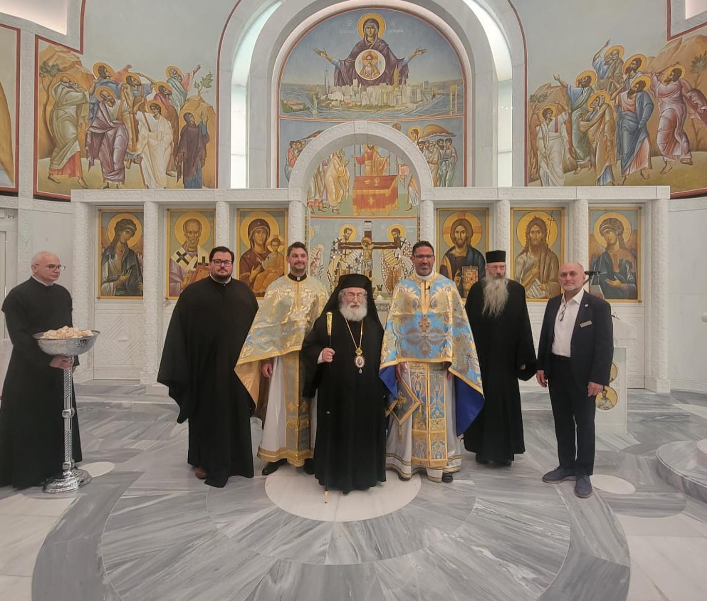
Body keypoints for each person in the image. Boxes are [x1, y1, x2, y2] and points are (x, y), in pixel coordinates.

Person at [381, 241, 484, 483]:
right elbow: (393, 327)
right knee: (409, 414)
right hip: (408, 364)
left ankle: (440, 463)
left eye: (428, 256)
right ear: (413, 258)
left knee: (439, 415)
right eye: (419, 257)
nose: (424, 261)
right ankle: (407, 463)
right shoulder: (402, 288)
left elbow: (459, 325)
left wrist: (455, 360)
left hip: (441, 366)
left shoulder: (448, 287)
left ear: (434, 258)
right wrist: (394, 359)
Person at [158, 246, 259, 488]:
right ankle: (203, 460)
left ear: (232, 265)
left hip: (237, 372)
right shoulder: (192, 294)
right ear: (210, 264)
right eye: (217, 261)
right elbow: (178, 333)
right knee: (206, 417)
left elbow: (257, 332)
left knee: (235, 414)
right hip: (204, 371)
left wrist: (258, 362)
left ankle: (238, 461)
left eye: (227, 262)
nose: (222, 265)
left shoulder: (244, 293)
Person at [236, 242, 327, 475]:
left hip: (309, 358)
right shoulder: (276, 288)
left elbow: (325, 325)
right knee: (278, 404)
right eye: (294, 256)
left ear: (308, 260)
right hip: (282, 358)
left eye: (302, 256)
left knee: (312, 405)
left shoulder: (318, 288)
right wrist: (266, 359)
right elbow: (266, 324)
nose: (299, 260)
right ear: (288, 259)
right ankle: (276, 453)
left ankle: (309, 455)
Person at [0, 252, 82, 489]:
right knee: (31, 419)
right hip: (29, 369)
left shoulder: (62, 294)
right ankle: (31, 471)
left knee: (60, 414)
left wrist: (72, 358)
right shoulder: (18, 296)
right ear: (34, 267)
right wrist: (47, 361)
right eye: (51, 266)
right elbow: (19, 336)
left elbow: (69, 328)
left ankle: (60, 463)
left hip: (60, 368)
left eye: (59, 266)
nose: (56, 270)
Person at [302, 274, 388, 493]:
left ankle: (365, 475)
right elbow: (308, 347)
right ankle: (337, 476)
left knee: (364, 432)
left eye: (360, 295)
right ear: (342, 296)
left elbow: (385, 353)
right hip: (336, 394)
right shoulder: (328, 320)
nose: (356, 299)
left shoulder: (373, 324)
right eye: (351, 294)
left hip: (368, 394)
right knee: (338, 431)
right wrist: (321, 353)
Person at [536, 263, 613, 499]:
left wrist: (598, 379)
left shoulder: (597, 306)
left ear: (582, 278)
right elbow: (545, 336)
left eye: (572, 274)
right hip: (557, 370)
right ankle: (566, 466)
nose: (568, 278)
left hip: (583, 374)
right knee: (562, 421)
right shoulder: (553, 304)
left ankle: (583, 472)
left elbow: (604, 346)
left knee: (585, 423)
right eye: (563, 274)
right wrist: (541, 365)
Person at [463, 251, 536, 466]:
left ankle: (506, 452)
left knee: (505, 405)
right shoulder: (477, 291)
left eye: (502, 268)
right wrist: (466, 357)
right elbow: (466, 326)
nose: (498, 272)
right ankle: (481, 449)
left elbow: (524, 324)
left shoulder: (516, 290)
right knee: (482, 403)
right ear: (487, 269)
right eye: (494, 268)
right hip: (481, 361)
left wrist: (524, 357)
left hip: (506, 362)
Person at [314, 14, 425, 88]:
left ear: (376, 30)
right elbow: (345, 64)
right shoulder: (359, 46)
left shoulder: (382, 46)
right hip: (360, 82)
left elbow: (396, 63)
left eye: (372, 27)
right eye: (367, 28)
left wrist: (414, 54)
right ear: (364, 30)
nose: (370, 30)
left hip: (381, 82)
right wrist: (326, 56)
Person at [47, 75, 89, 189]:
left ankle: (52, 173)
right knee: (72, 144)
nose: (71, 83)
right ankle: (80, 178)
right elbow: (85, 96)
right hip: (64, 121)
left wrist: (76, 87)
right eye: (68, 82)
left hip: (62, 120)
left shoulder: (61, 91)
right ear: (63, 84)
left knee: (62, 147)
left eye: (70, 81)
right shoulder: (67, 94)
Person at [85, 87, 129, 189]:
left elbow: (129, 115)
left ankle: (119, 182)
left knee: (117, 157)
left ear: (112, 94)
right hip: (105, 132)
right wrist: (92, 129)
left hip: (119, 131)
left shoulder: (121, 103)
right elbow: (99, 120)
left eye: (108, 95)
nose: (107, 98)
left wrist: (126, 97)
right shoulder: (101, 106)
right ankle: (107, 181)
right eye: (103, 96)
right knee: (105, 157)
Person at [554, 71, 595, 174]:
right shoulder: (576, 91)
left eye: (586, 79)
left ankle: (589, 161)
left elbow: (593, 103)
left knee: (586, 140)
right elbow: (566, 86)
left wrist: (588, 115)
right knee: (576, 141)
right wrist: (559, 79)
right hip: (576, 117)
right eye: (583, 78)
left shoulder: (590, 90)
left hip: (586, 117)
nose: (583, 79)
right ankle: (580, 164)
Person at [614, 76, 653, 185]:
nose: (636, 87)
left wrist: (643, 120)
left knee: (644, 145)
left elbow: (649, 106)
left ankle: (643, 170)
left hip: (639, 124)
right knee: (626, 151)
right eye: (635, 85)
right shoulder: (622, 96)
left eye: (639, 86)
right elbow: (615, 105)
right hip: (626, 125)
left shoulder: (643, 95)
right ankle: (624, 176)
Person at [590, 217, 637, 299]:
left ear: (616, 231)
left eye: (608, 232)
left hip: (625, 302)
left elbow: (636, 287)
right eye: (604, 235)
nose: (607, 236)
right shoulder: (602, 258)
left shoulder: (629, 257)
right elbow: (595, 283)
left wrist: (621, 285)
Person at [514, 216, 561, 299]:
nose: (535, 236)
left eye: (538, 232)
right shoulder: (521, 259)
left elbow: (557, 285)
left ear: (543, 235)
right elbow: (515, 288)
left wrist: (546, 286)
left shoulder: (551, 258)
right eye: (532, 232)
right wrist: (532, 275)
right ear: (528, 235)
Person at [439, 218, 486, 298]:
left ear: (468, 234)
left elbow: (483, 282)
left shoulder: (477, 257)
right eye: (457, 232)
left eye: (463, 232)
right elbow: (442, 284)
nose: (459, 236)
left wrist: (471, 286)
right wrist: (454, 284)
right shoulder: (446, 258)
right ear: (453, 234)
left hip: (473, 300)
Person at [578, 91, 616, 186]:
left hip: (602, 137)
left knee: (603, 158)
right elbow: (586, 126)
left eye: (596, 100)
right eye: (594, 100)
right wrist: (581, 121)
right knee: (594, 158)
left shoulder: (604, 108)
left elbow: (609, 121)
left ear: (600, 102)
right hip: (593, 140)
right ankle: (599, 179)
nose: (594, 101)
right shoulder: (590, 114)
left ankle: (608, 180)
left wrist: (607, 132)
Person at [100, 217, 143, 297]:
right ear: (120, 231)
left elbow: (138, 279)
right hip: (112, 294)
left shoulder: (131, 255)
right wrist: (119, 282)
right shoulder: (108, 254)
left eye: (130, 235)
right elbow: (101, 285)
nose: (128, 237)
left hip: (129, 294)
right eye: (126, 232)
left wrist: (141, 287)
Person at [169, 217, 210, 297]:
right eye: (190, 232)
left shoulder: (206, 256)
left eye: (196, 232)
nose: (193, 236)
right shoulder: (176, 258)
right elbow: (169, 285)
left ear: (200, 233)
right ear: (185, 233)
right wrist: (182, 285)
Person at [136, 102, 173, 189]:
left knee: (159, 167)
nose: (154, 111)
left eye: (155, 109)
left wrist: (163, 144)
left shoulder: (164, 122)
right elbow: (143, 132)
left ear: (159, 110)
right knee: (145, 164)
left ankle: (159, 186)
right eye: (152, 109)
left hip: (160, 147)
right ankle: (149, 185)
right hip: (148, 145)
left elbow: (169, 135)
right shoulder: (148, 120)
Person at [536, 105, 570, 186]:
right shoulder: (542, 126)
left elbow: (564, 117)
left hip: (556, 146)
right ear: (544, 115)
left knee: (556, 166)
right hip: (546, 148)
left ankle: (558, 185)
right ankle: (548, 185)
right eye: (548, 113)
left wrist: (562, 106)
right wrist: (543, 151)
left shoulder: (556, 122)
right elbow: (540, 139)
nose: (550, 115)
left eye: (551, 113)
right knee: (543, 169)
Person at [238, 218, 272, 297]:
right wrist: (251, 277)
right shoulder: (246, 258)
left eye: (263, 232)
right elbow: (241, 286)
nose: (261, 236)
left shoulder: (273, 256)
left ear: (267, 235)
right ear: (252, 236)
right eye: (258, 232)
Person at [175, 112, 209, 189]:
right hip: (189, 158)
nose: (191, 117)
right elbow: (183, 146)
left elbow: (204, 139)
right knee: (190, 176)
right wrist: (203, 123)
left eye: (191, 115)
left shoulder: (196, 128)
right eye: (189, 116)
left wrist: (204, 122)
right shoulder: (187, 130)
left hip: (197, 156)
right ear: (186, 119)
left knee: (196, 173)